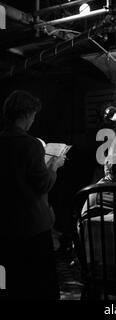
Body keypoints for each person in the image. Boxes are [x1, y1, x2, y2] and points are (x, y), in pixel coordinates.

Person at [0, 90, 65, 300]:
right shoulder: (30, 144)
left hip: (6, 225)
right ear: (27, 114)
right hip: (33, 224)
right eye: (34, 115)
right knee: (40, 283)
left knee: (13, 282)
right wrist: (54, 166)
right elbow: (43, 184)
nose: (33, 120)